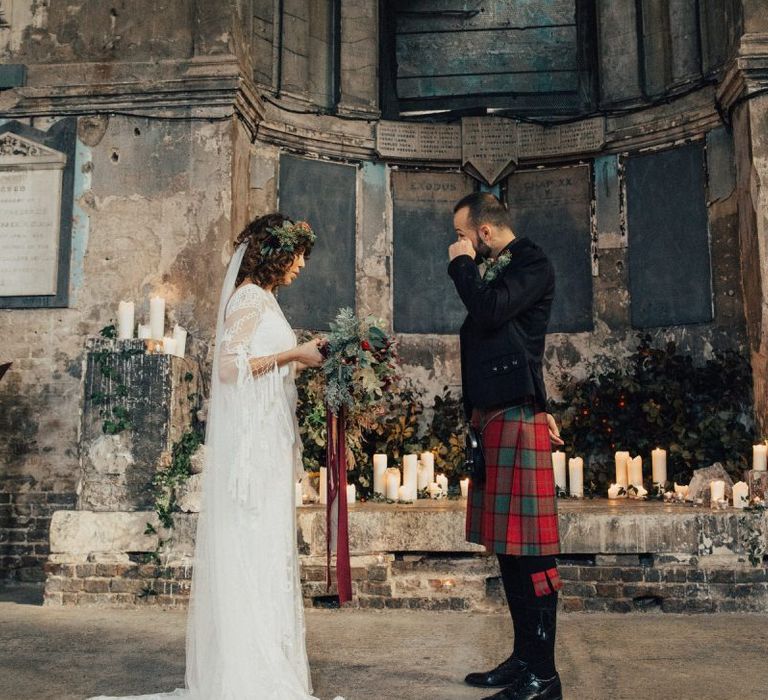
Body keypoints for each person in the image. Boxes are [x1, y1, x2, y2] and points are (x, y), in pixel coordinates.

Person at [89, 213, 342, 700]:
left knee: (266, 548)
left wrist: (310, 358)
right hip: (251, 450)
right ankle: (246, 675)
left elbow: (260, 368)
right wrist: (294, 356)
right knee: (250, 546)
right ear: (275, 253)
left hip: (266, 440)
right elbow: (228, 368)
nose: (302, 265)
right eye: (298, 254)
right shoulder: (248, 297)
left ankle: (265, 663)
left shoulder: (266, 300)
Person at [447, 192, 564, 700]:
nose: (457, 244)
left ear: (485, 233)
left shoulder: (532, 260)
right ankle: (524, 661)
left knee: (533, 554)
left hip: (516, 417)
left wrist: (461, 268)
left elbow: (491, 311)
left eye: (462, 235)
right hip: (496, 416)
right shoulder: (502, 269)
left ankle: (544, 676)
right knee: (510, 552)